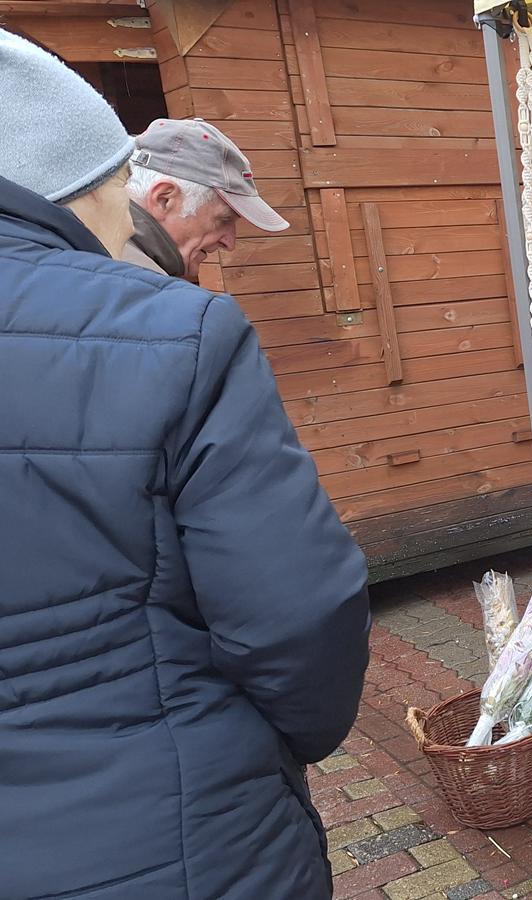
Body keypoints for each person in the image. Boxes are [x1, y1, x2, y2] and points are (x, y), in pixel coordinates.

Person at [0, 30, 370, 900]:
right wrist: (287, 740)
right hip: (174, 831)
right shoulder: (172, 328)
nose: (229, 244)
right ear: (151, 196)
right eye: (223, 221)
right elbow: (297, 611)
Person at [123, 117, 289, 280]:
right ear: (163, 200)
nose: (230, 243)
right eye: (223, 219)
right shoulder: (144, 290)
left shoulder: (117, 268)